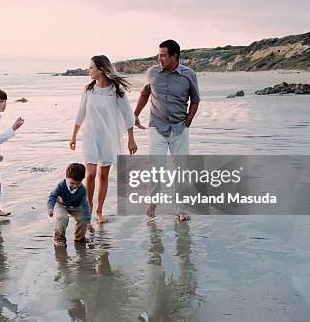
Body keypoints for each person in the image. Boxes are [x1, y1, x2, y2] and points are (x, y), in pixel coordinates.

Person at [133, 39, 201, 221]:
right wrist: (135, 114)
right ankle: (153, 202)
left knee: (181, 169)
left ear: (174, 56)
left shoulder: (189, 75)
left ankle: (181, 209)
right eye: (159, 55)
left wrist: (188, 121)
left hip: (180, 128)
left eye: (163, 55)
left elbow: (195, 100)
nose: (159, 59)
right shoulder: (152, 73)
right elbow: (145, 94)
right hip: (157, 126)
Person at [70, 55, 137, 225]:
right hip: (90, 135)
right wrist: (74, 136)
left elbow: (128, 115)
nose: (89, 70)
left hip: (108, 137)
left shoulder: (116, 90)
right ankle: (88, 209)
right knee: (90, 174)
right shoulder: (88, 89)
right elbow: (81, 112)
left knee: (103, 176)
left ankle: (99, 211)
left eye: (91, 67)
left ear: (100, 69)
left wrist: (131, 139)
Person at [47, 163, 91, 247]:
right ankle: (59, 239)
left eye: (78, 184)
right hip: (61, 205)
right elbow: (52, 197)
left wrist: (88, 222)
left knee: (83, 219)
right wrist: (50, 208)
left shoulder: (82, 189)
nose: (75, 186)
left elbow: (85, 206)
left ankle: (79, 238)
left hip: (76, 206)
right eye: (72, 183)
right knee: (62, 218)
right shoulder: (61, 185)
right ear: (67, 178)